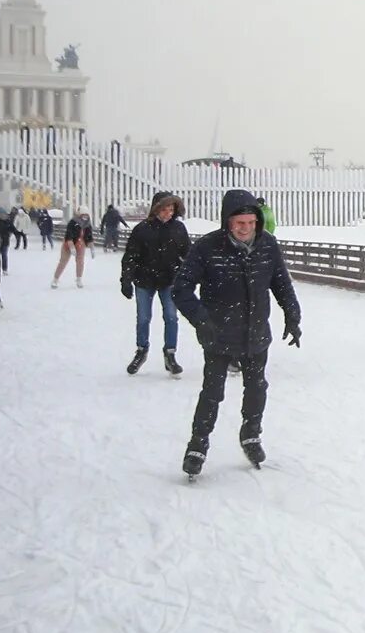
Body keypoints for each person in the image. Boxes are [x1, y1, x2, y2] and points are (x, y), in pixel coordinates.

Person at [172, 189, 302, 478]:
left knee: (257, 388)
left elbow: (281, 283)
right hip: (219, 335)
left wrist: (293, 315)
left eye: (251, 223)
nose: (246, 229)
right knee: (212, 392)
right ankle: (198, 444)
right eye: (240, 223)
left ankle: (251, 434)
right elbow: (180, 288)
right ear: (227, 222)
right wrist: (202, 320)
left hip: (256, 332)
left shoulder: (267, 245)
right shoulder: (208, 247)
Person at [121, 191, 192, 375]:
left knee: (171, 316)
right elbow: (130, 256)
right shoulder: (142, 229)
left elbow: (188, 255)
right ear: (156, 209)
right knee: (144, 318)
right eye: (165, 209)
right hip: (145, 280)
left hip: (169, 280)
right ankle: (141, 350)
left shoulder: (178, 229)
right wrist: (126, 280)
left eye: (171, 209)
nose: (168, 213)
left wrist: (189, 278)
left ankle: (170, 353)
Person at [52, 210, 93, 287]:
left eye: (86, 215)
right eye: (84, 215)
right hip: (68, 243)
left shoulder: (88, 224)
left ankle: (79, 279)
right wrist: (71, 247)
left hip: (80, 244)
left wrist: (92, 248)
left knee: (80, 262)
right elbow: (69, 235)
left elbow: (89, 237)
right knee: (63, 261)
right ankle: (55, 279)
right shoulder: (73, 222)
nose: (85, 217)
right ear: (80, 215)